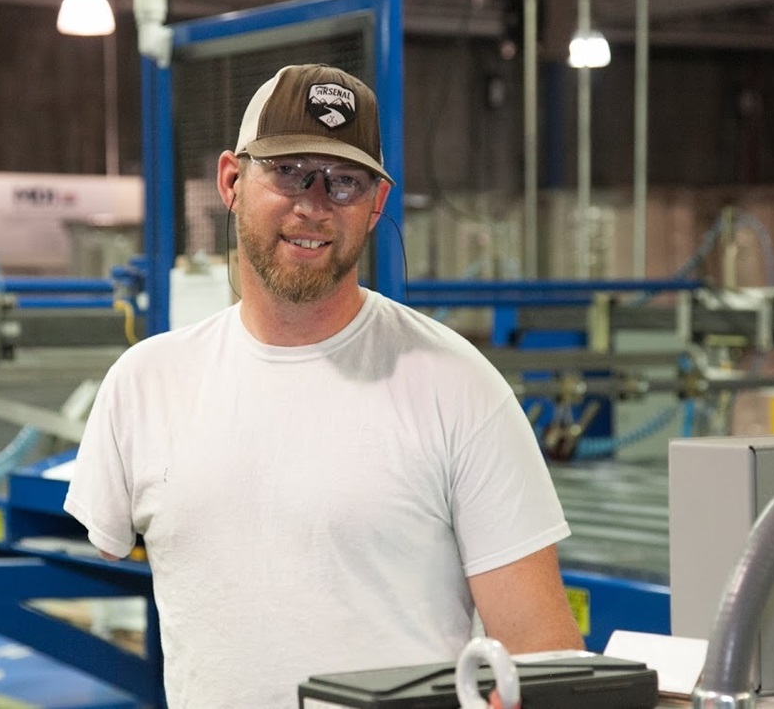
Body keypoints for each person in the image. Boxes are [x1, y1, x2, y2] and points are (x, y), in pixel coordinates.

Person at [64, 63, 583, 708]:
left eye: (344, 182)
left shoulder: (460, 389)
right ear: (231, 180)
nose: (313, 204)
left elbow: (542, 657)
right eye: (288, 171)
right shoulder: (145, 385)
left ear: (376, 206)